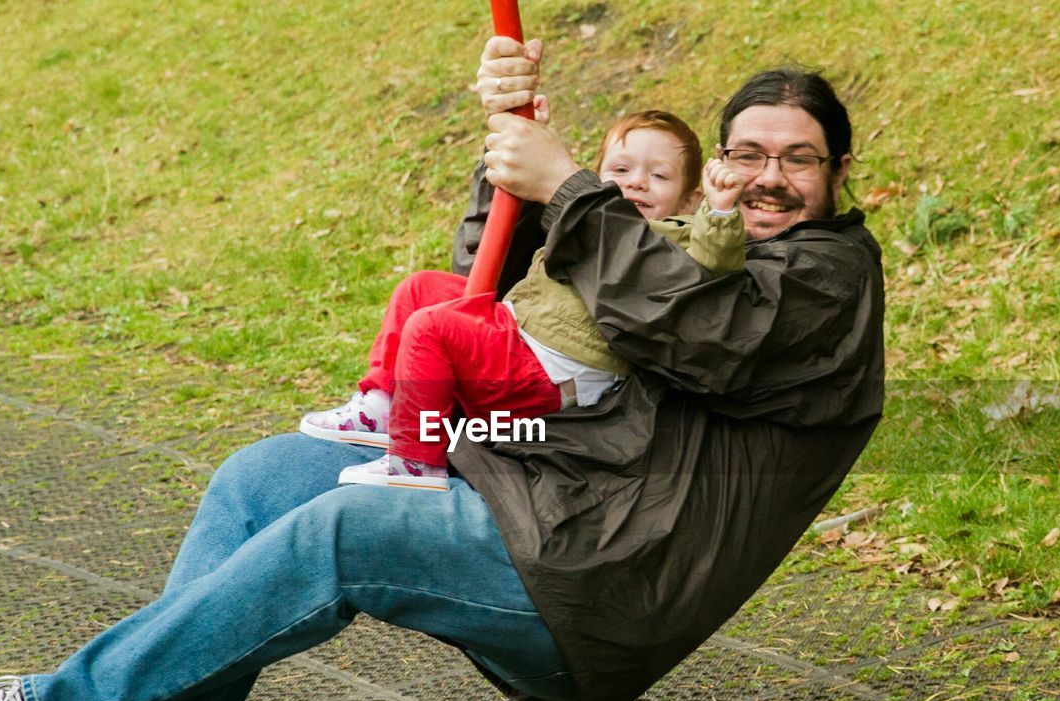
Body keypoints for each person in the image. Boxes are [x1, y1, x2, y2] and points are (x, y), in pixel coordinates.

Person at [0, 35, 884, 701]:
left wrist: (569, 184)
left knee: (348, 526)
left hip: (596, 564)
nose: (770, 176)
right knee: (263, 476)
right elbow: (520, 290)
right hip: (524, 478)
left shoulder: (828, 287)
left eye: (798, 159)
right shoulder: (693, 244)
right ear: (721, 162)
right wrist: (510, 157)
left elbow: (707, 333)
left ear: (840, 175)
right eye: (750, 152)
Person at [297, 109, 747, 490]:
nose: (638, 183)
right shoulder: (588, 216)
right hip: (521, 331)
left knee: (433, 329)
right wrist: (528, 152)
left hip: (558, 372)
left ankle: (416, 460)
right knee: (422, 289)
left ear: (689, 198)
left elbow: (712, 266)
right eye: (621, 170)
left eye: (659, 175)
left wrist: (721, 211)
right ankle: (382, 406)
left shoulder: (679, 236)